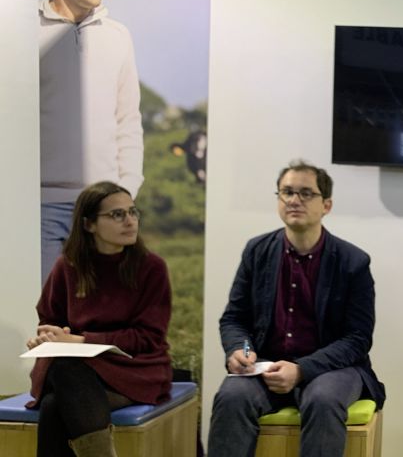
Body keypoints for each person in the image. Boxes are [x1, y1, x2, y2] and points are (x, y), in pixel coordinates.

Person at [208, 161, 385, 457]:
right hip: (266, 364)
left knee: (323, 400)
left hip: (332, 368)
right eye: (287, 192)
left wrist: (303, 370)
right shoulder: (257, 250)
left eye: (305, 193)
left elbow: (357, 338)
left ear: (326, 205)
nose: (294, 200)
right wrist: (240, 349)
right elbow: (235, 318)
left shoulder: (353, 261)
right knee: (231, 395)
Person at [27, 181, 171, 457]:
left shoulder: (151, 268)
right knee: (62, 380)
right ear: (89, 224)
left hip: (135, 369)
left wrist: (79, 340)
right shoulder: (67, 266)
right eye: (117, 214)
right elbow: (50, 318)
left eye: (132, 212)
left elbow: (147, 338)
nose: (130, 221)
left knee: (55, 403)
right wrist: (48, 338)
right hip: (79, 370)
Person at [40, 0, 144, 280]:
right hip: (40, 208)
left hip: (104, 208)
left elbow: (128, 120)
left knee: (99, 319)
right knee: (42, 318)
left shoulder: (118, 35)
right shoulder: (20, 30)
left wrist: (125, 193)